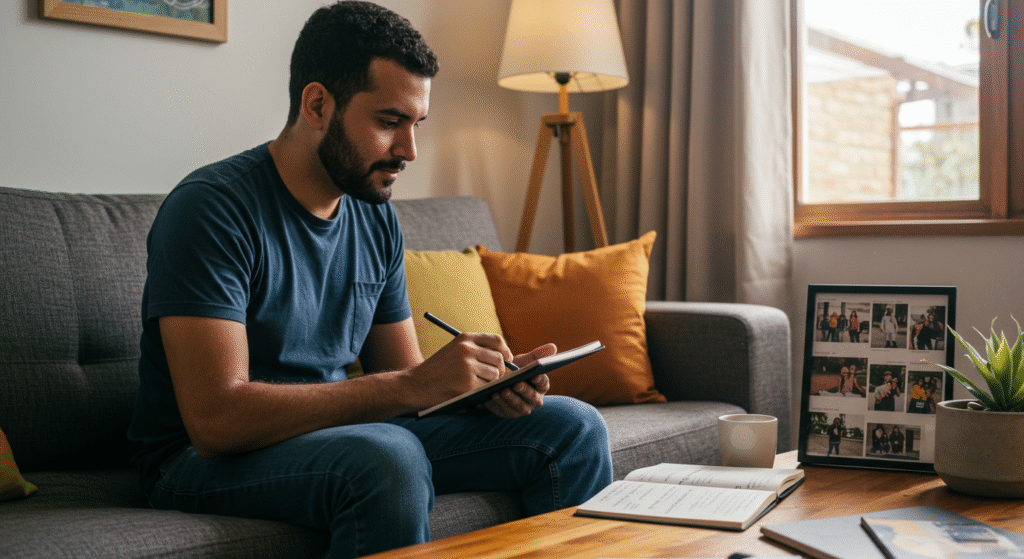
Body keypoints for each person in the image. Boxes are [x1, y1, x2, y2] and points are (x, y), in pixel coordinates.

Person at [126, 3, 613, 558]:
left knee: (572, 428)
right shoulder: (212, 209)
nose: (408, 151)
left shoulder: (374, 216)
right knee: (386, 456)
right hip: (198, 461)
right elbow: (216, 421)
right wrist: (414, 386)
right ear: (317, 104)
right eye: (389, 123)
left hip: (342, 439)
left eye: (416, 125)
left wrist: (481, 391)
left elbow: (404, 383)